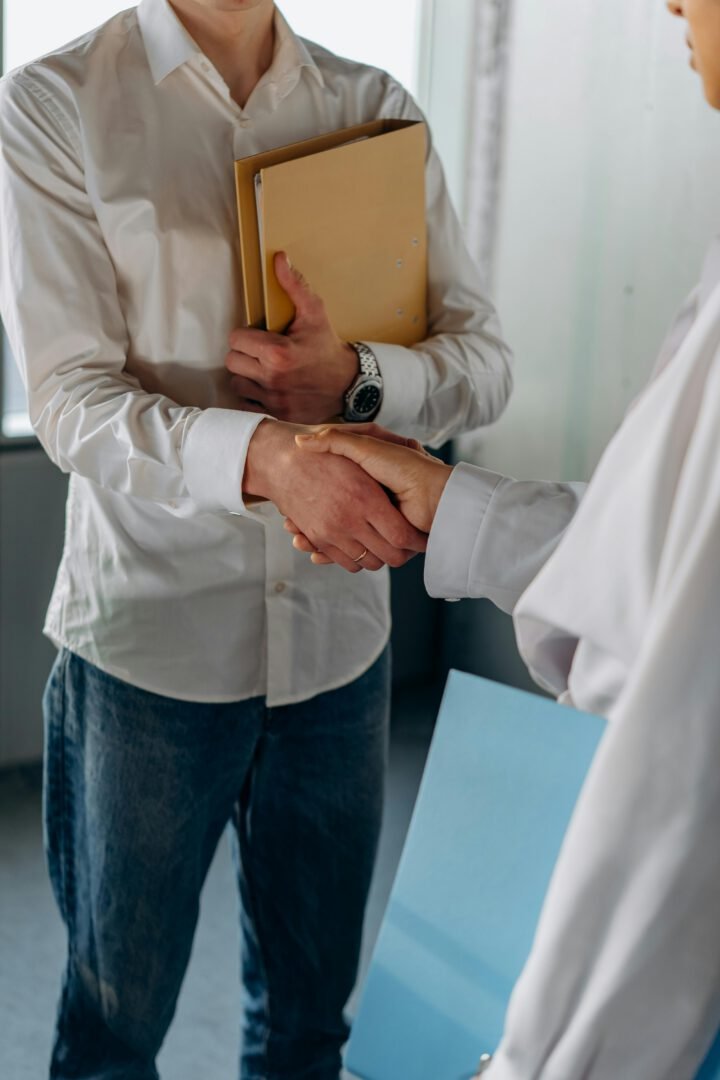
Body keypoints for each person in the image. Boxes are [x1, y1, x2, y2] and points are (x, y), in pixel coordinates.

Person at [0, 1, 513, 1077]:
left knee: (307, 1027)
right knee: (112, 1034)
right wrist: (270, 460)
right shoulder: (54, 104)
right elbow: (70, 401)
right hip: (150, 651)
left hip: (337, 648)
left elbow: (483, 364)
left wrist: (359, 378)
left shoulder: (374, 106)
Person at [286, 1, 720, 1075]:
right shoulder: (57, 104)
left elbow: (680, 754)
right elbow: (663, 573)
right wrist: (454, 501)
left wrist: (535, 1060)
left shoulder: (376, 110)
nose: (672, 3)